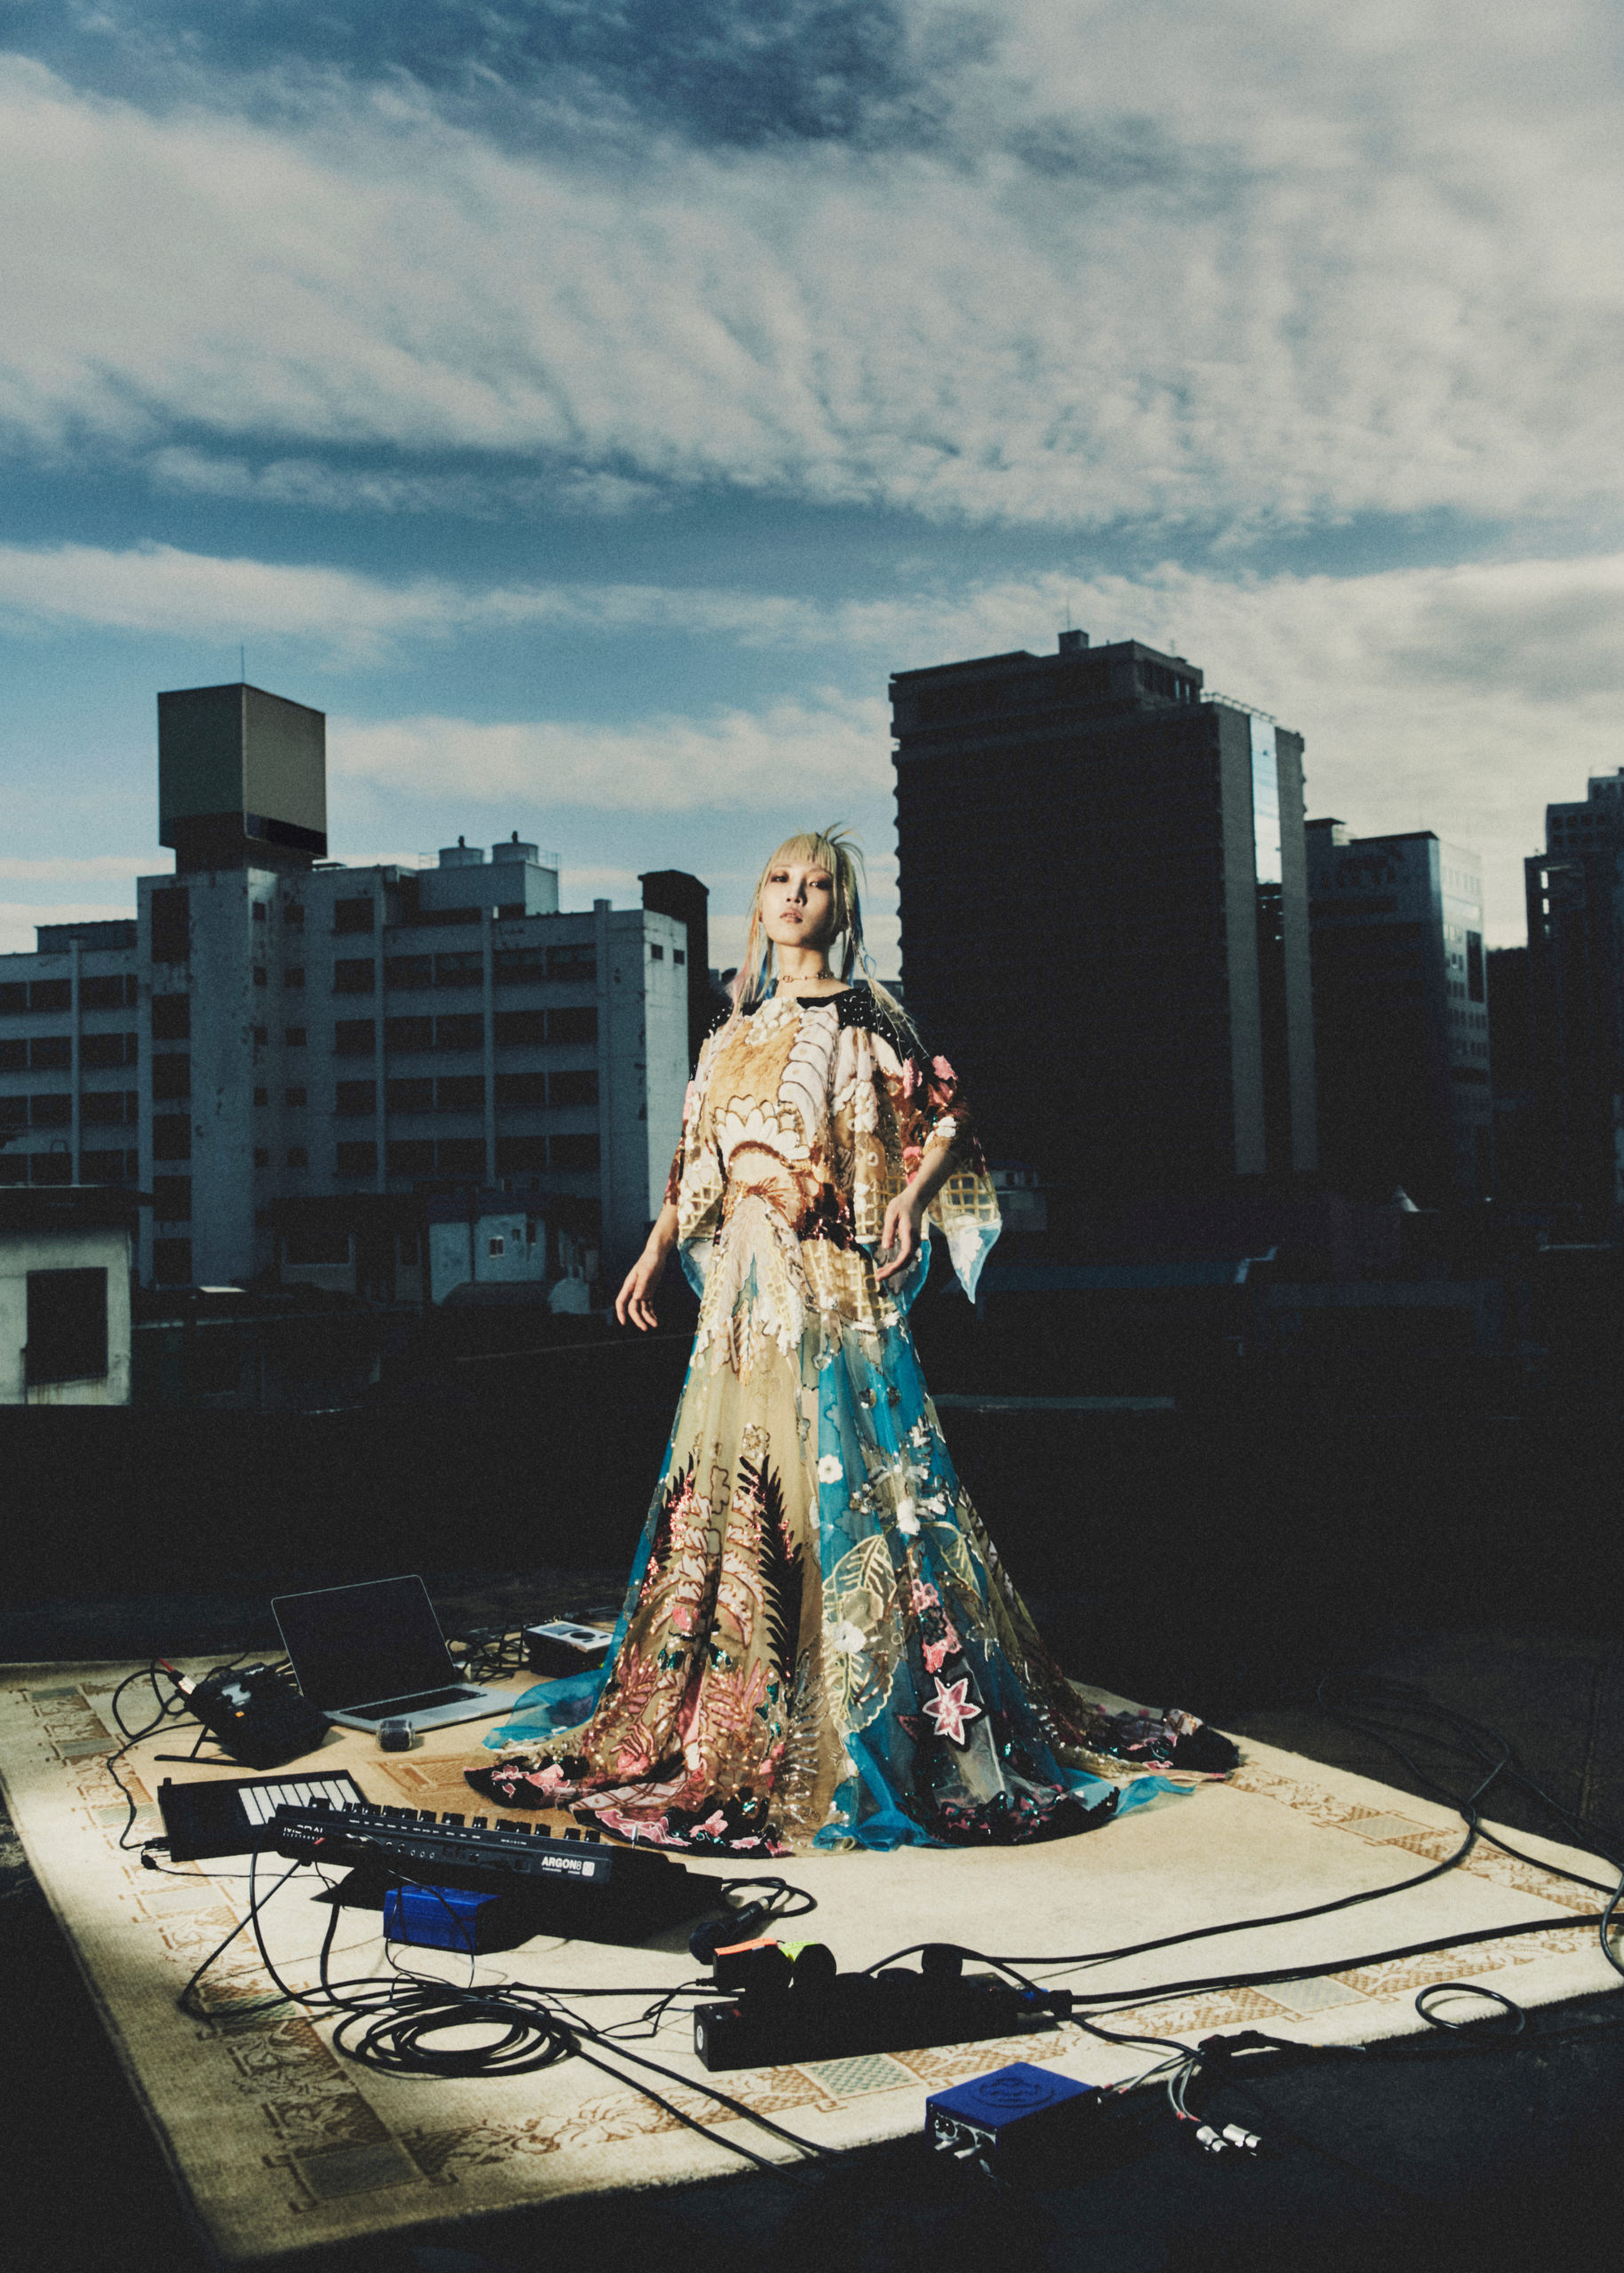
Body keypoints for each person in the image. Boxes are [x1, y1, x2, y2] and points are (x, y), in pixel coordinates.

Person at [467, 828, 1236, 1853]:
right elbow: (694, 1162)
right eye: (778, 880)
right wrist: (651, 1251)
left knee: (849, 1488)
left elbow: (948, 1111)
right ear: (758, 901)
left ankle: (866, 1706)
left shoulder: (869, 1015)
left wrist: (910, 1199)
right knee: (738, 1496)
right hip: (740, 1298)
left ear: (840, 906)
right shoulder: (727, 1033)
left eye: (816, 883)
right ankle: (744, 1689)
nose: (794, 895)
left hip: (828, 1283)